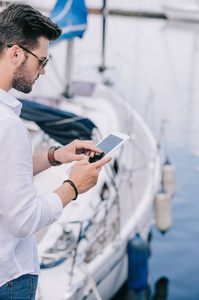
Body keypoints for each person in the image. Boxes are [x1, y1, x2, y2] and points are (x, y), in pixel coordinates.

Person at [0, 3, 111, 299]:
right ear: (15, 54)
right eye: (41, 61)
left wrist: (54, 156)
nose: (44, 71)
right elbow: (22, 220)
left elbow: (6, 169)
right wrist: (73, 187)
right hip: (9, 280)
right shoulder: (7, 124)